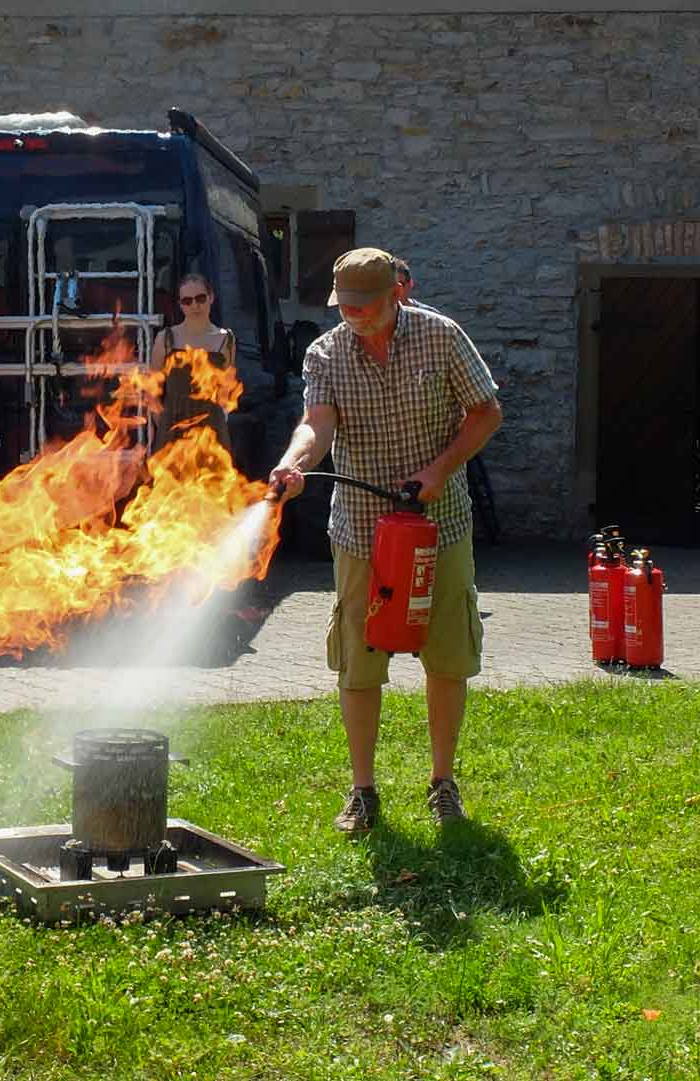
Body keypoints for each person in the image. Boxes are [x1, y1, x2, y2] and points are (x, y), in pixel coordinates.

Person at [269, 248, 502, 833]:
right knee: (359, 659)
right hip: (360, 533)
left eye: (364, 305)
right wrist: (295, 463)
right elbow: (316, 423)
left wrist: (440, 470)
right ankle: (363, 792)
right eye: (343, 306)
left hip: (440, 525)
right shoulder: (325, 353)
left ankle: (443, 784)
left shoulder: (441, 337)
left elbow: (486, 412)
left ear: (396, 293)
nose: (353, 315)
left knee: (447, 654)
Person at [150, 273, 236, 454]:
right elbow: (152, 391)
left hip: (212, 429)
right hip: (173, 427)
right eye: (187, 301)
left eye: (200, 298)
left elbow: (226, 387)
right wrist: (165, 425)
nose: (195, 305)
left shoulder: (226, 339)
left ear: (211, 298)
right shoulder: (166, 338)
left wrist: (220, 418)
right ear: (181, 305)